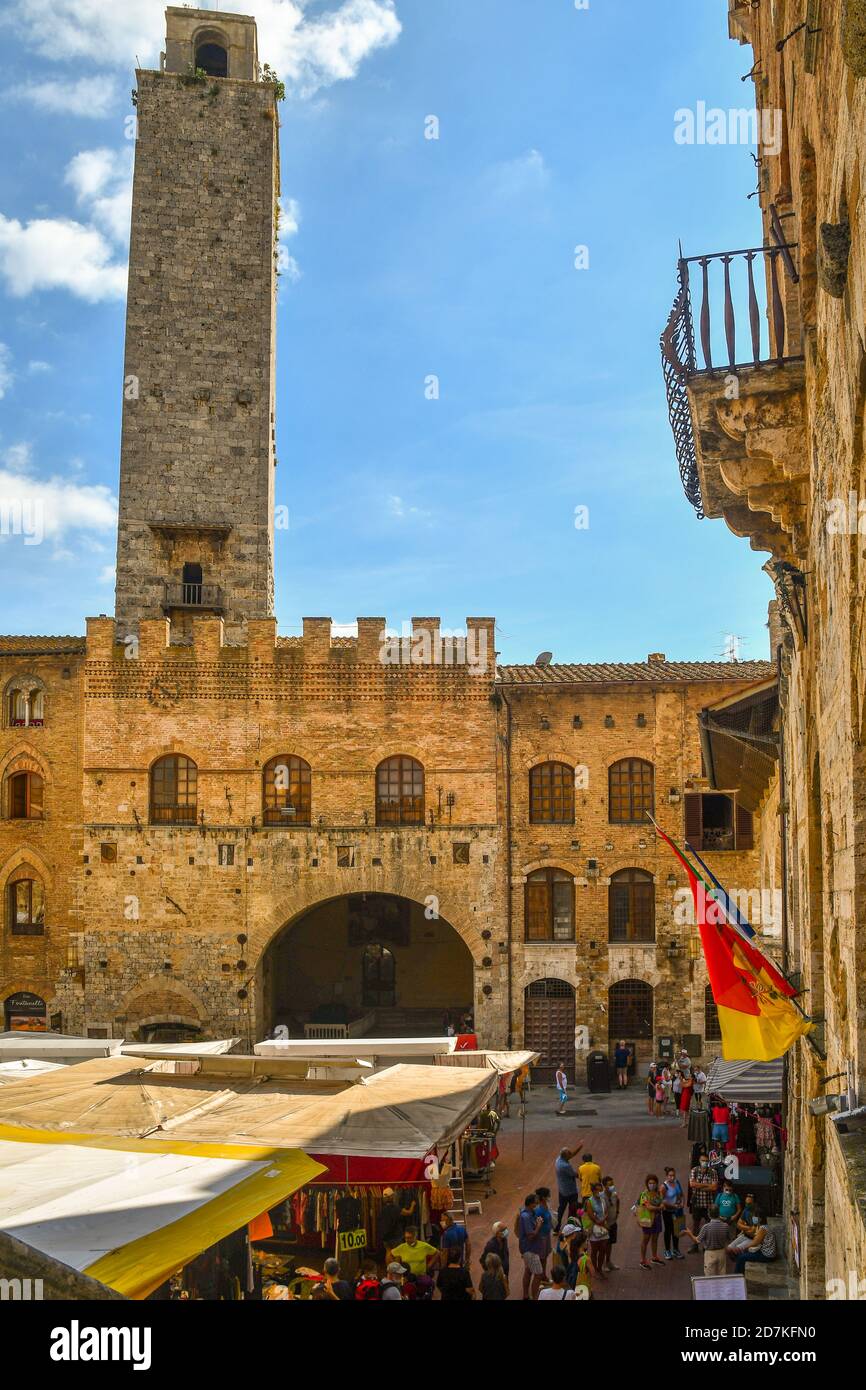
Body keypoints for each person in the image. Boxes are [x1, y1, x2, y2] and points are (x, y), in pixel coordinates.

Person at [681, 1205, 731, 1276]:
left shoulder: (706, 1227)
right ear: (719, 1214)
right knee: (722, 1276)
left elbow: (697, 1241)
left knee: (709, 1277)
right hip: (721, 1253)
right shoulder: (725, 1226)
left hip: (710, 1253)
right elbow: (728, 1239)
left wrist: (689, 1233)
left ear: (709, 1214)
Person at [390, 1226, 438, 1297]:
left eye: (410, 1238)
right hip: (407, 1278)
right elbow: (390, 1254)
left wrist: (429, 1265)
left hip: (421, 1277)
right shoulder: (402, 1247)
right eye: (406, 1237)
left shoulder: (424, 1246)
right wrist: (396, 1265)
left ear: (416, 1237)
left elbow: (437, 1253)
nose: (407, 1240)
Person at [517, 1193, 546, 1301]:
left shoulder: (530, 1213)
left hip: (530, 1248)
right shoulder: (526, 1216)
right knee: (538, 1274)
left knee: (528, 1271)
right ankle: (535, 1297)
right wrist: (538, 1226)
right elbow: (530, 1236)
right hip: (530, 1250)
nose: (537, 1204)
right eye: (536, 1203)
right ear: (531, 1204)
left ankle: (525, 1295)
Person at [688, 1150, 719, 1240]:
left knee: (709, 1225)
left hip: (708, 1203)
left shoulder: (713, 1172)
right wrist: (707, 1185)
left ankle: (707, 1245)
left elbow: (714, 1188)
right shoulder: (694, 1170)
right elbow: (692, 1184)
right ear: (699, 1160)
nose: (704, 1162)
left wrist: (699, 1185)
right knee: (695, 1225)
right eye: (703, 1160)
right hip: (697, 1203)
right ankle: (695, 1245)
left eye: (706, 1161)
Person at [636, 1173, 664, 1269]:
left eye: (654, 1183)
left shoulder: (658, 1193)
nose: (652, 1185)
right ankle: (643, 1260)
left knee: (655, 1238)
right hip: (647, 1220)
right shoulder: (644, 1194)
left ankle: (654, 1257)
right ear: (647, 1184)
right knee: (646, 1239)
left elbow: (662, 1204)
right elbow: (649, 1207)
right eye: (650, 1183)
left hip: (657, 1219)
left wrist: (659, 1207)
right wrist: (659, 1208)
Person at [661, 1166, 685, 1261]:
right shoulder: (664, 1186)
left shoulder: (677, 1182)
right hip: (668, 1211)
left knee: (677, 1230)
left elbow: (681, 1194)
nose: (672, 1177)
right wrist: (673, 1206)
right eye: (670, 1175)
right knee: (668, 1230)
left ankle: (676, 1249)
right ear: (666, 1176)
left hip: (678, 1210)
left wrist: (682, 1202)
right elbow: (662, 1200)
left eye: (673, 1175)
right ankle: (667, 1250)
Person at [586, 1181, 610, 1279]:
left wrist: (604, 1220)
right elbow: (592, 1217)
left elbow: (607, 1211)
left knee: (603, 1249)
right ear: (593, 1191)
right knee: (594, 1250)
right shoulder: (589, 1202)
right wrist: (603, 1220)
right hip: (595, 1229)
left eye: (601, 1190)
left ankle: (599, 1268)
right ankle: (595, 1270)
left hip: (603, 1229)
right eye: (598, 1190)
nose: (600, 1192)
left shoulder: (603, 1200)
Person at [555, 1146, 581, 1228]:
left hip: (562, 1189)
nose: (571, 1156)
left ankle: (557, 1226)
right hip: (570, 1190)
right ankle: (570, 1226)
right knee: (573, 1208)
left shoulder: (558, 1159)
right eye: (569, 1155)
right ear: (566, 1156)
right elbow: (575, 1174)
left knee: (561, 1208)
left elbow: (571, 1154)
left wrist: (578, 1148)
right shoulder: (565, 1166)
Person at [535, 1186, 554, 1276]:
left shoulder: (546, 1206)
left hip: (546, 1235)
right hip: (542, 1237)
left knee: (545, 1256)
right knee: (542, 1258)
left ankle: (544, 1275)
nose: (549, 1196)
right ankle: (541, 1275)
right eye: (548, 1195)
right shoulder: (539, 1210)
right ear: (543, 1197)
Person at [602, 1175, 620, 1270]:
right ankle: (603, 1264)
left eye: (613, 1184)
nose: (612, 1186)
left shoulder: (614, 1194)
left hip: (613, 1223)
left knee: (610, 1243)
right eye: (610, 1185)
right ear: (605, 1186)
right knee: (604, 1244)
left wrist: (617, 1212)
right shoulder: (601, 1197)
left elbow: (618, 1201)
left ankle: (609, 1262)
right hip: (605, 1225)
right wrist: (604, 1223)